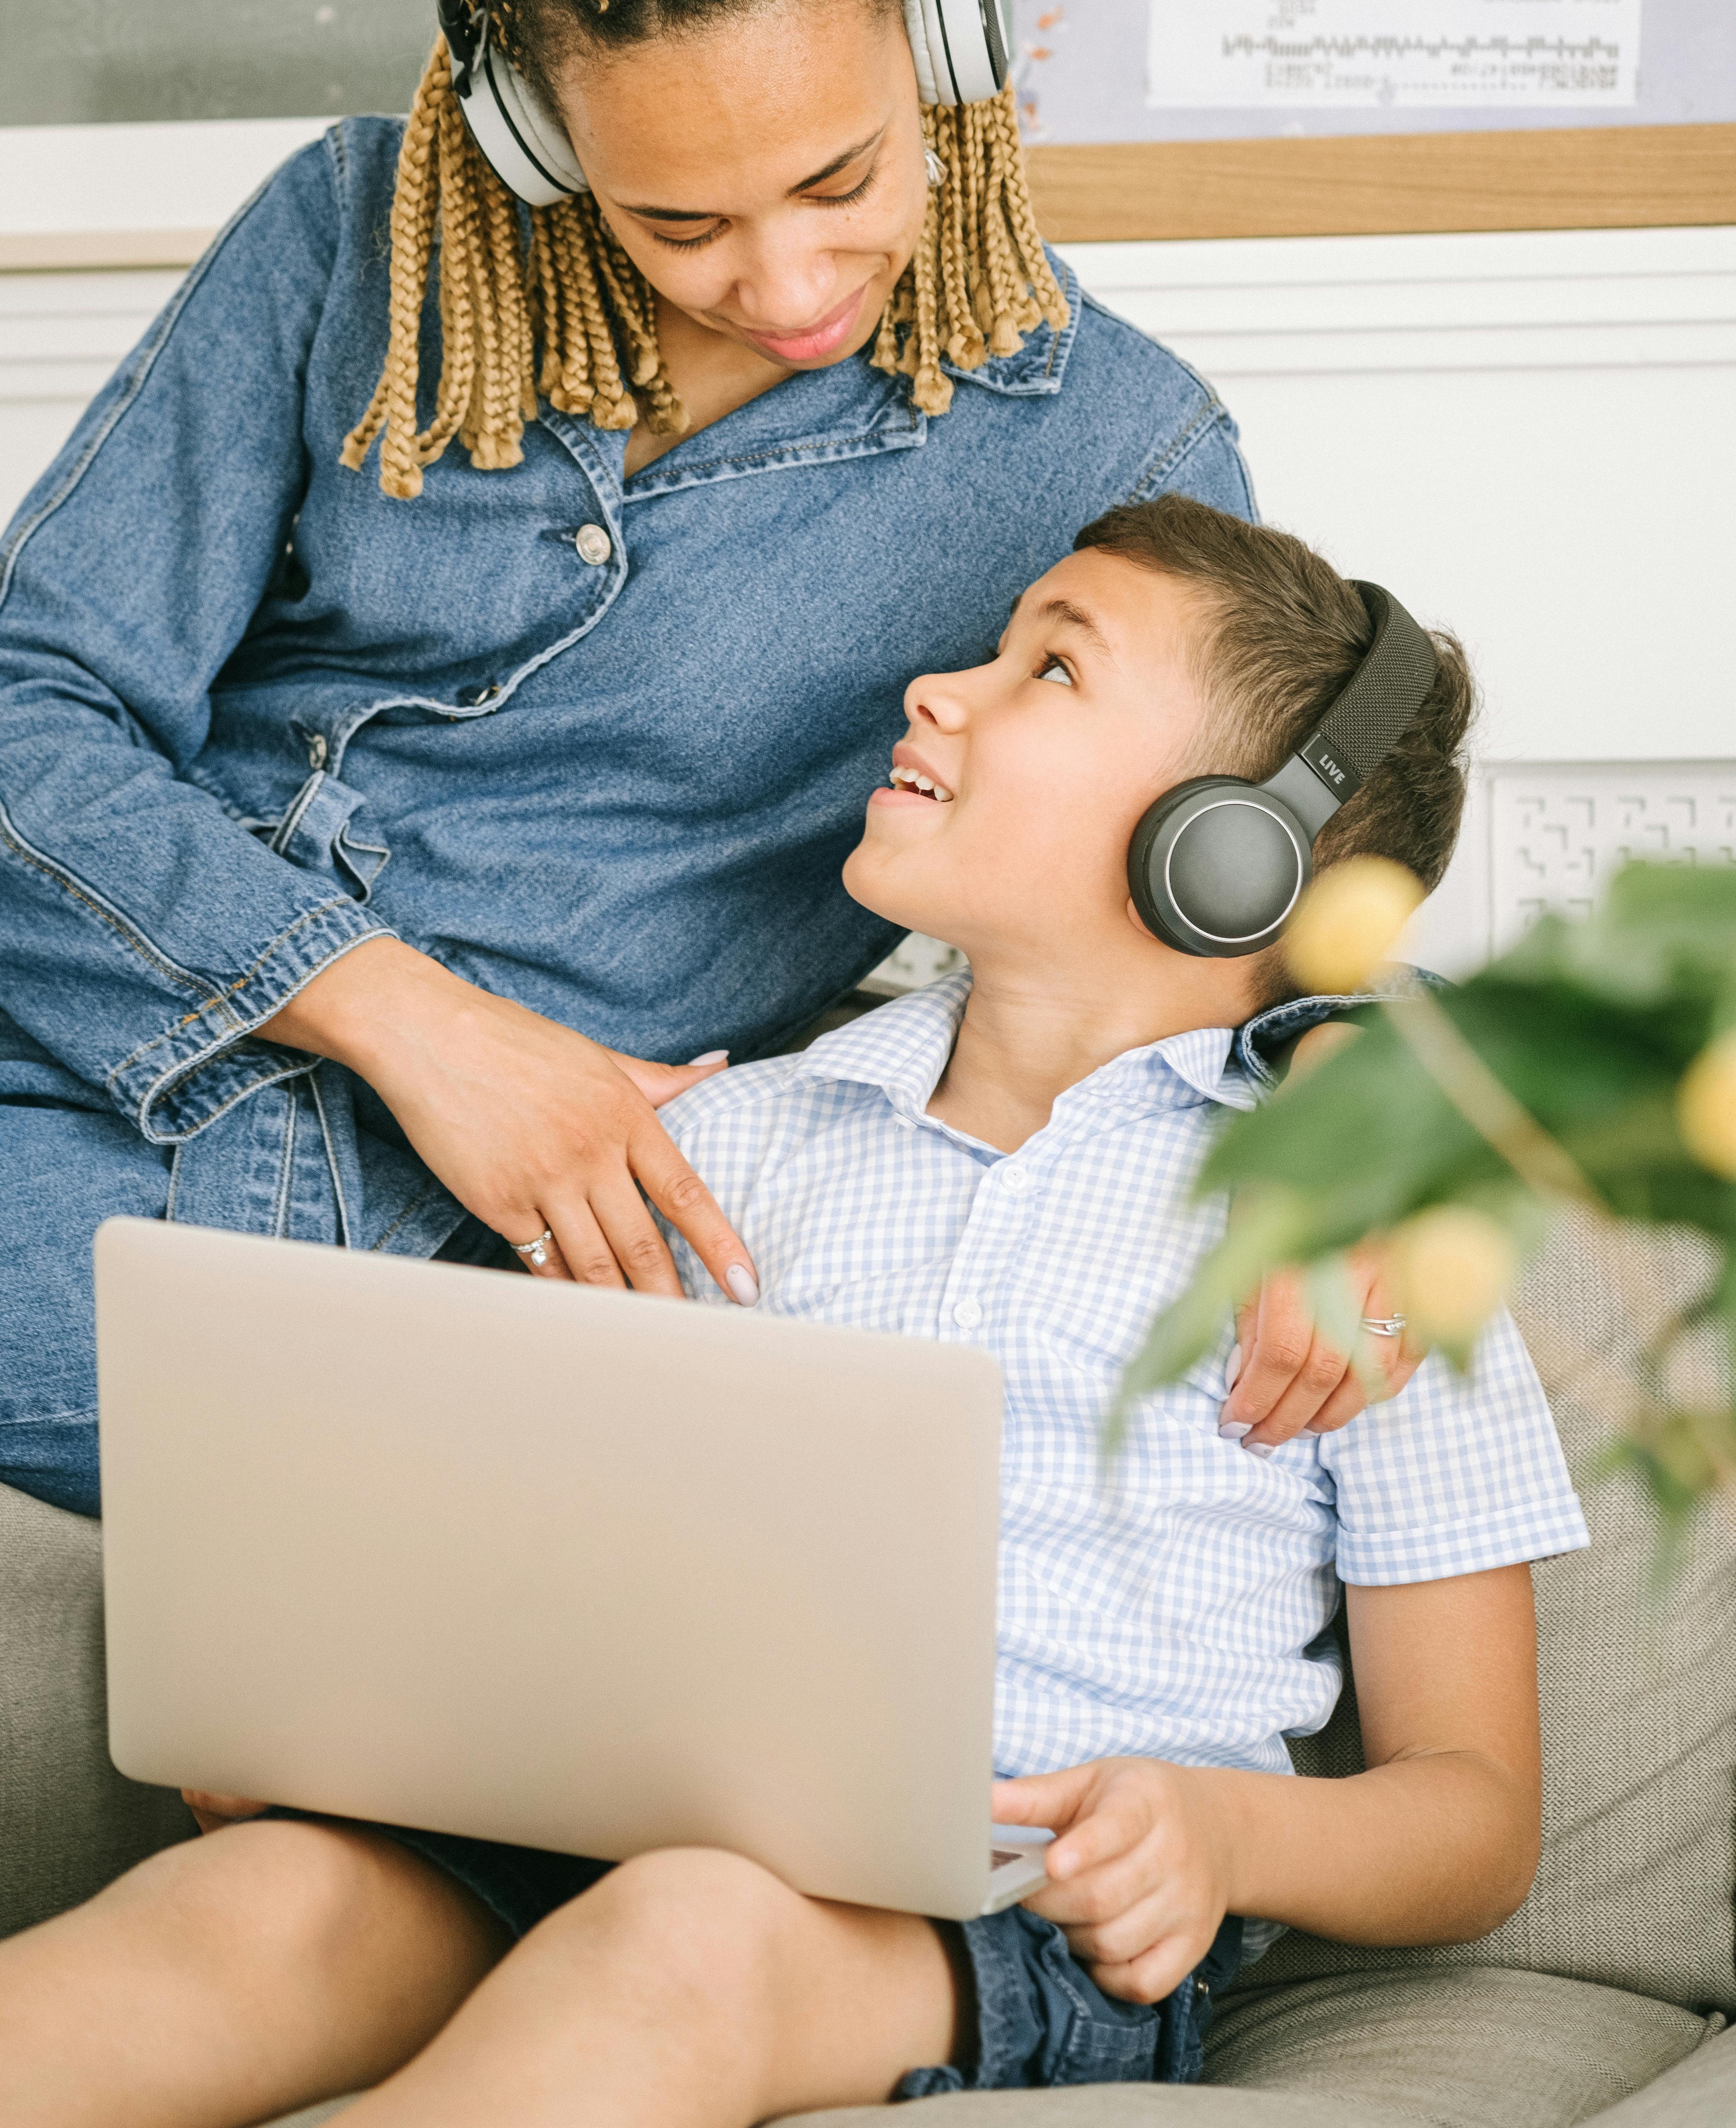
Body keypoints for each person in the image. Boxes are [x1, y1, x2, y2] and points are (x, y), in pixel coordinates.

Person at [0, 497, 1588, 2125]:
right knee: (254, 1913)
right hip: (559, 1829)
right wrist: (333, 1712)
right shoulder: (720, 1148)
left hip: (995, 1920)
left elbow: (1471, 1819)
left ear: (1225, 850)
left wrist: (1222, 1832)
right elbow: (523, 1530)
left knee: (687, 1941)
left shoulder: (1358, 1258)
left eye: (1046, 668)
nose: (935, 686)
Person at [0, 0, 1400, 1523]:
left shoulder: (1116, 445)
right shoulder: (353, 244)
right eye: (675, 224)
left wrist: (1347, 1090)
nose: (788, 281)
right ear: (527, 129)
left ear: (945, 35)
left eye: (842, 179)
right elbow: (32, 706)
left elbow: (1229, 869)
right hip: (80, 1073)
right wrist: (416, 1027)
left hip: (512, 1266)